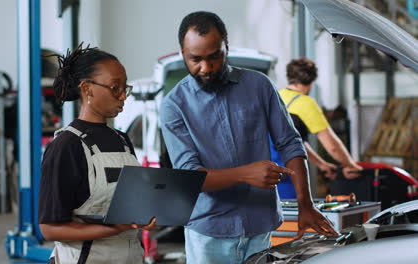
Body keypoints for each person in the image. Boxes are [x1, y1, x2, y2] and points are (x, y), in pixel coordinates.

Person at [159, 11, 337, 264]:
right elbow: (189, 176)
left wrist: (304, 204)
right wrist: (245, 173)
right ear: (182, 52)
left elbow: (290, 143)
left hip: (260, 225)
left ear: (226, 47)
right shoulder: (174, 105)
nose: (206, 68)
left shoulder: (259, 86)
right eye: (195, 59)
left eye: (214, 57)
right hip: (209, 234)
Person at [38, 43, 156, 264]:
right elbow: (50, 229)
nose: (123, 95)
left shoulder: (122, 140)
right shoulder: (67, 145)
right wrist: (113, 229)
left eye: (125, 88)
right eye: (115, 87)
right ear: (87, 88)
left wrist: (146, 216)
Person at [278, 57, 363, 184]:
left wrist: (322, 164)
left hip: (266, 170)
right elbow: (332, 145)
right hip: (289, 172)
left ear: (289, 77)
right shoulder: (305, 103)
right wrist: (351, 165)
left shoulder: (276, 95)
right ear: (312, 82)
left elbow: (295, 142)